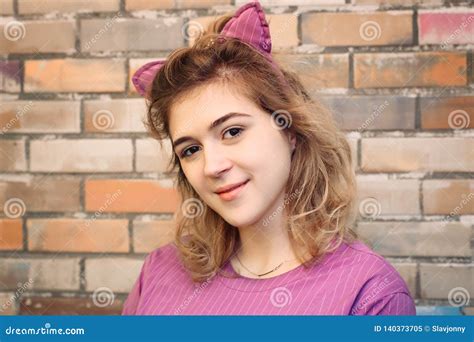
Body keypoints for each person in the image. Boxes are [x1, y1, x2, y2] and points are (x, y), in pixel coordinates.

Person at [122, 1, 416, 315]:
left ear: (289, 130)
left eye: (232, 131)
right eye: (191, 150)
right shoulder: (159, 270)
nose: (212, 166)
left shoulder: (371, 294)